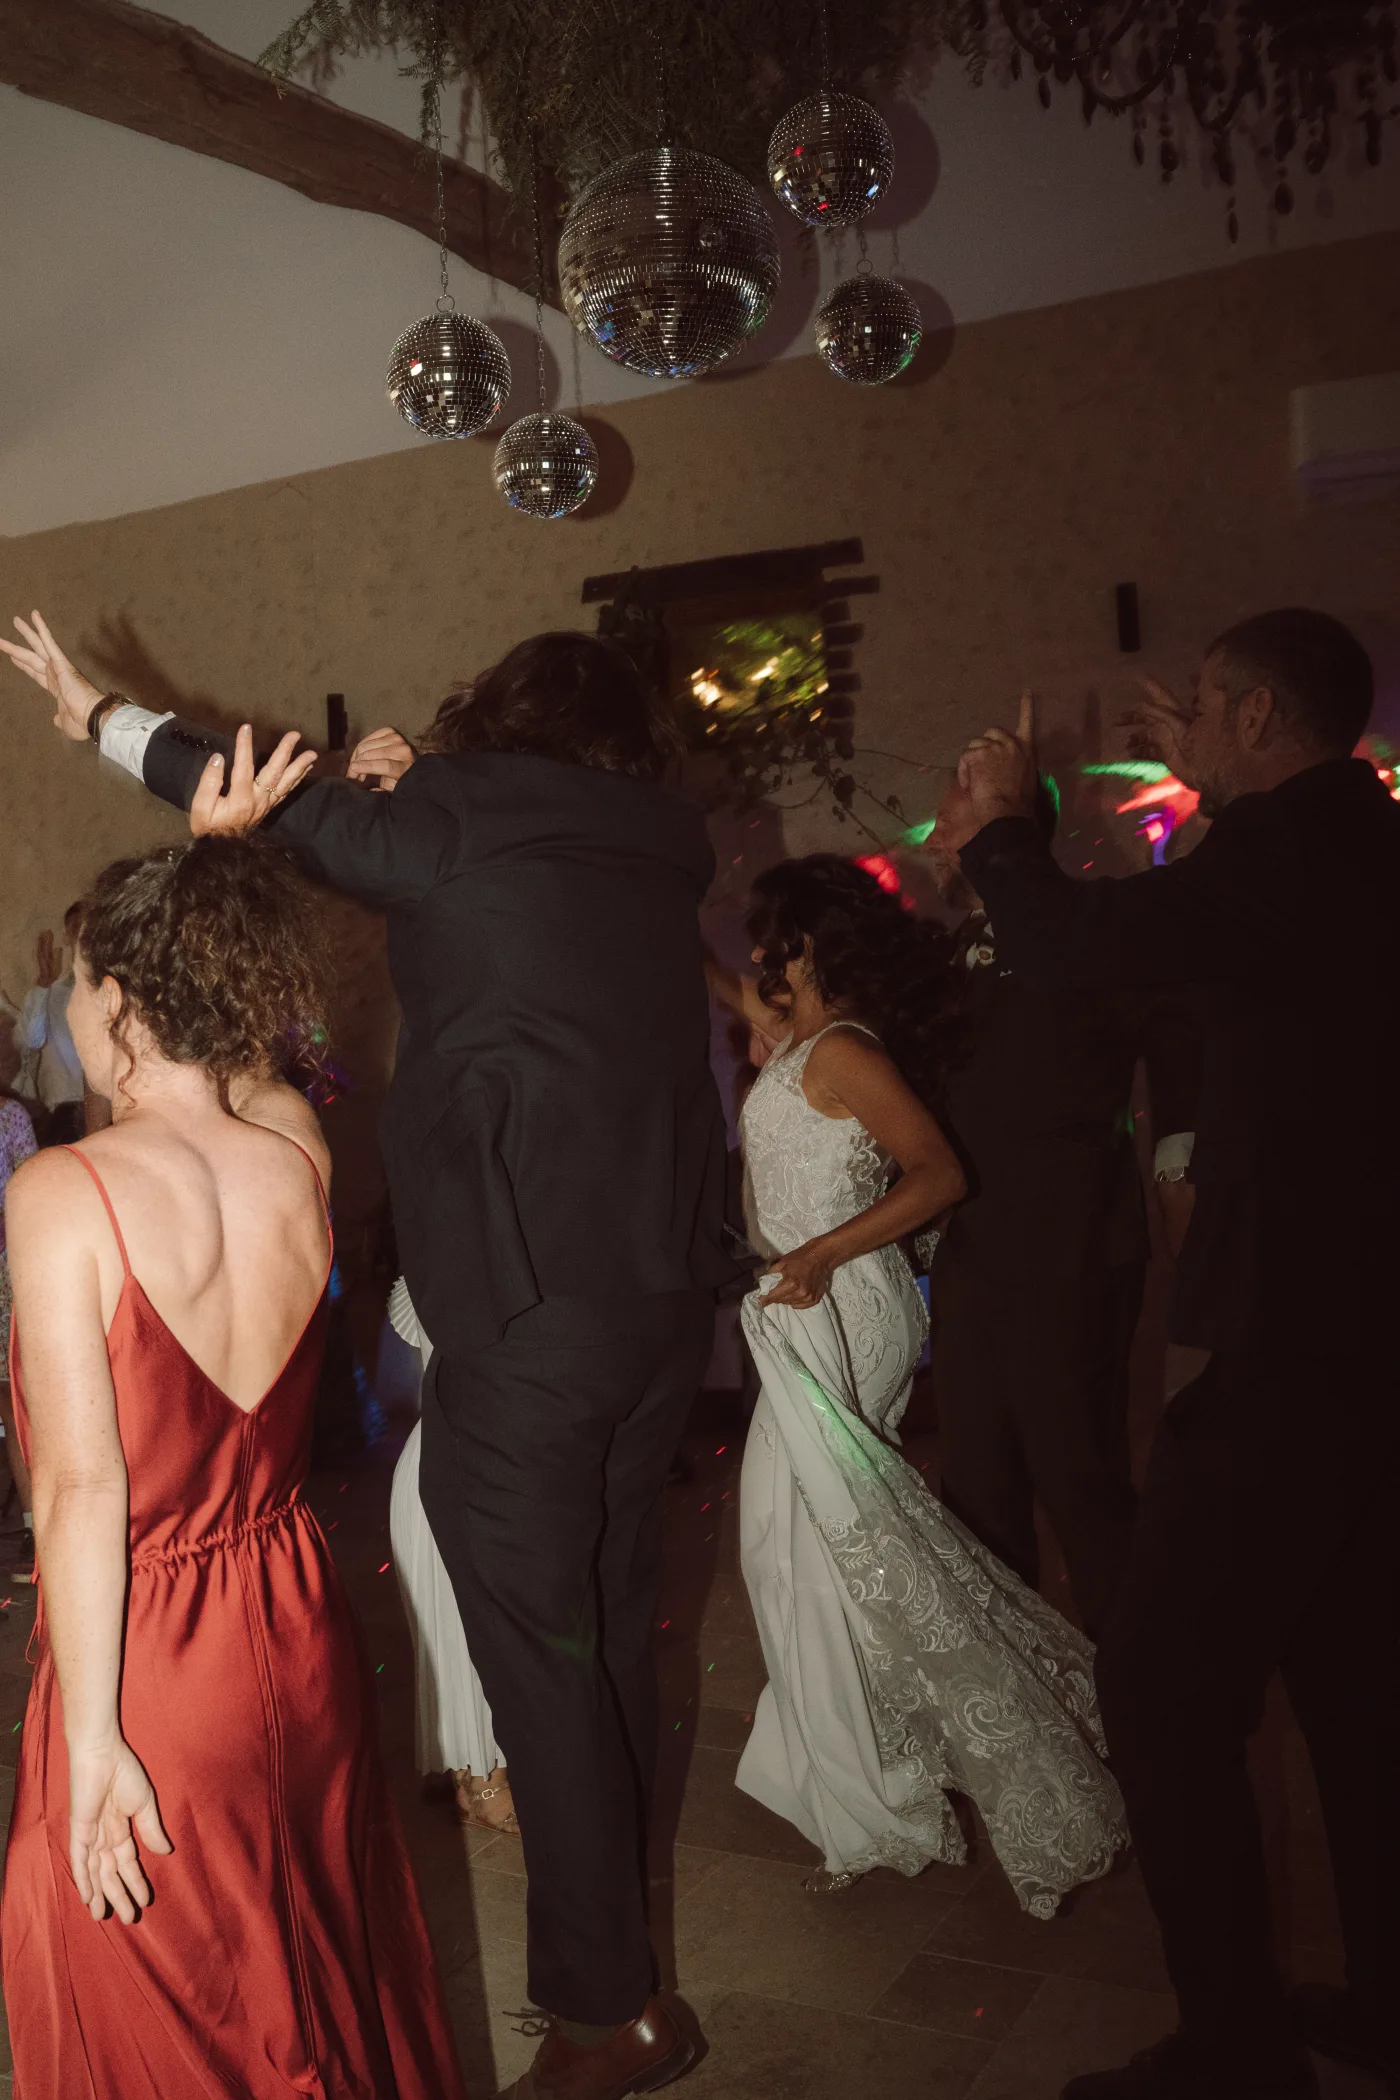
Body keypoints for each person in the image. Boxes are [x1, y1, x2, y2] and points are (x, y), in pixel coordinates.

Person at [1, 611, 735, 2100]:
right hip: (659, 1304)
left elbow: (258, 805)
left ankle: (609, 2012)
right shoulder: (656, 844)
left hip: (527, 1318)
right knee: (601, 1632)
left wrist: (99, 719)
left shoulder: (465, 813)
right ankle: (619, 1979)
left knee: (543, 1654)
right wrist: (364, 799)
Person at [943, 613, 1400, 2100]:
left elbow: (1071, 949)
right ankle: (1384, 2004)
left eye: (1205, 706)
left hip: (1302, 1343)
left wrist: (1002, 830)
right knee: (1350, 1681)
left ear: (1261, 716)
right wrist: (1214, 790)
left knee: (1157, 1689)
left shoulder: (1290, 851)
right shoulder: (1354, 840)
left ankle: (1235, 2050)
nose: (1183, 726)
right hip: (1367, 1333)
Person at [0, 835, 465, 2099]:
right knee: (303, 1950)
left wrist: (91, 1743)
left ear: (125, 1002)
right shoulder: (298, 1151)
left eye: (81, 985)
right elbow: (247, 1082)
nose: (68, 1014)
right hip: (296, 1619)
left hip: (153, 1651)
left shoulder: (62, 1191)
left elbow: (82, 1491)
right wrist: (211, 884)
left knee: (148, 1989)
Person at [708, 856, 1128, 1911]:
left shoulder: (844, 1050)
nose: (758, 950)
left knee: (818, 1550)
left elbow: (942, 1174)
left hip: (842, 1304)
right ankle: (869, 1775)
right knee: (793, 1550)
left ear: (812, 941)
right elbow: (720, 982)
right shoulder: (795, 1032)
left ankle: (881, 1797)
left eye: (773, 931)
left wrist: (820, 1253)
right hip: (800, 1305)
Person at [925, 775, 1199, 1637]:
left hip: (1071, 1251)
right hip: (972, 1253)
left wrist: (1178, 1175)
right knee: (976, 1485)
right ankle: (1018, 1693)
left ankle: (1144, 1682)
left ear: (1004, 825)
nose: (934, 836)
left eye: (952, 817)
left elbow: (1173, 1059)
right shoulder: (948, 954)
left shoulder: (1086, 935)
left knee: (1081, 1480)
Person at [387, 1277, 517, 1833]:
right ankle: (483, 1779)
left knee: (464, 1633)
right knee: (463, 1636)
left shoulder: (433, 1268)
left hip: (451, 1459)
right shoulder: (455, 1270)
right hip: (457, 1463)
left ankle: (471, 1772)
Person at [0, 1051, 37, 1580]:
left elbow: (32, 1197)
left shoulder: (10, 1117)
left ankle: (34, 1524)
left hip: (8, 1276)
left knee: (13, 1401)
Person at [16, 905, 87, 1141]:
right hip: (60, 1111)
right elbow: (32, 1041)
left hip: (107, 1110)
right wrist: (44, 984)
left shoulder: (117, 992)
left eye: (91, 927)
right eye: (76, 928)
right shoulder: (50, 992)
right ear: (67, 936)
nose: (83, 935)